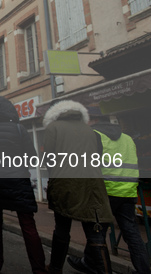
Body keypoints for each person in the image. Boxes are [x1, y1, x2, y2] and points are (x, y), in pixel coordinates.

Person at [43, 100, 113, 274]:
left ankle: (55, 268)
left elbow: (49, 158)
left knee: (62, 228)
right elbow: (98, 156)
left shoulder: (53, 128)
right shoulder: (90, 130)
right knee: (94, 230)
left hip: (66, 183)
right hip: (93, 184)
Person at [0, 96, 46, 274]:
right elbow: (32, 158)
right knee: (28, 225)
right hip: (18, 180)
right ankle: (39, 268)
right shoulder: (19, 129)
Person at [92, 115, 150, 274]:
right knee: (132, 233)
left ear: (96, 122)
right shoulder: (128, 138)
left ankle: (98, 267)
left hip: (106, 192)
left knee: (98, 233)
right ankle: (144, 270)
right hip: (128, 191)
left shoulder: (96, 136)